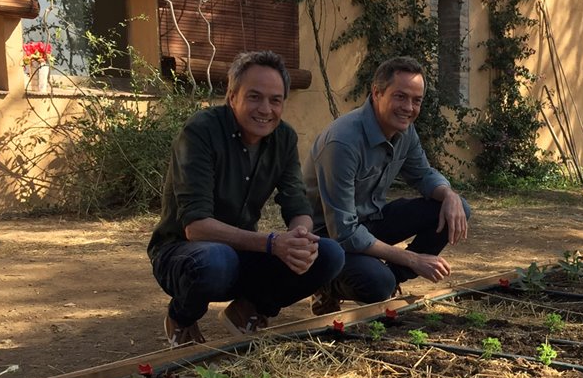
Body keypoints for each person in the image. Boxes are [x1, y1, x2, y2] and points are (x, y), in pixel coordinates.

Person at [148, 50, 344, 346]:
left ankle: (249, 310)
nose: (265, 109)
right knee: (216, 259)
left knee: (329, 254)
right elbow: (196, 227)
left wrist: (300, 238)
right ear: (232, 95)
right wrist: (272, 244)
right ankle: (182, 316)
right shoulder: (201, 131)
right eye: (254, 97)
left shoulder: (284, 138)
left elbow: (297, 203)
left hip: (240, 252)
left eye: (275, 100)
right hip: (183, 252)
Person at [304, 56, 470, 313]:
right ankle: (326, 284)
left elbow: (423, 175)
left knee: (455, 208)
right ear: (377, 93)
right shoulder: (342, 143)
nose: (409, 108)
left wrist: (449, 194)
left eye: (417, 100)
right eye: (400, 97)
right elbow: (344, 232)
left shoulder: (404, 130)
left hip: (370, 221)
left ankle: (390, 278)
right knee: (377, 284)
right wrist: (414, 259)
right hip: (328, 240)